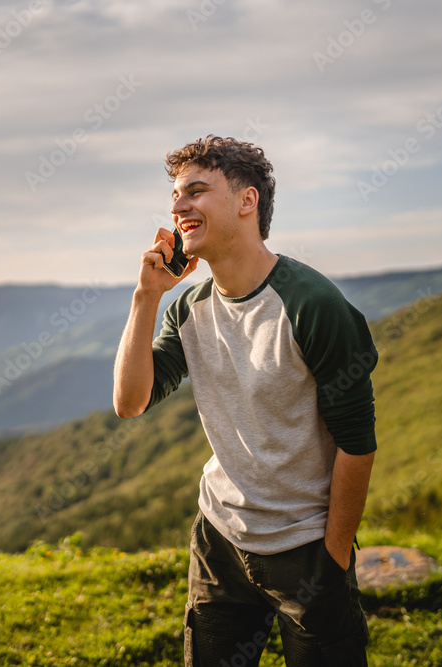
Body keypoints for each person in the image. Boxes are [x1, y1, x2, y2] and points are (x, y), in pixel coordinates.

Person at [113, 135, 377, 666]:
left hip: (306, 551)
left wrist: (332, 558)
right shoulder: (188, 307)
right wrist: (146, 297)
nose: (177, 206)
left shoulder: (313, 304)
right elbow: (131, 401)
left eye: (196, 191)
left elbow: (358, 444)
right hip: (219, 544)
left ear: (246, 200)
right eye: (175, 196)